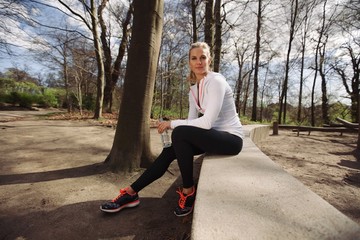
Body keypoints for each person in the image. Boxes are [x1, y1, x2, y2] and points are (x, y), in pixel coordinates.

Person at [100, 42, 244, 217]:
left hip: (231, 139)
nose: (199, 61)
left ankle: (188, 191)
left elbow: (205, 124)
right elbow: (191, 122)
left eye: (203, 57)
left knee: (179, 132)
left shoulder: (216, 81)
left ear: (209, 60)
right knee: (171, 149)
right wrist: (177, 127)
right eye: (194, 58)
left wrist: (172, 124)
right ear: (189, 63)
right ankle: (131, 192)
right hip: (212, 137)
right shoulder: (194, 90)